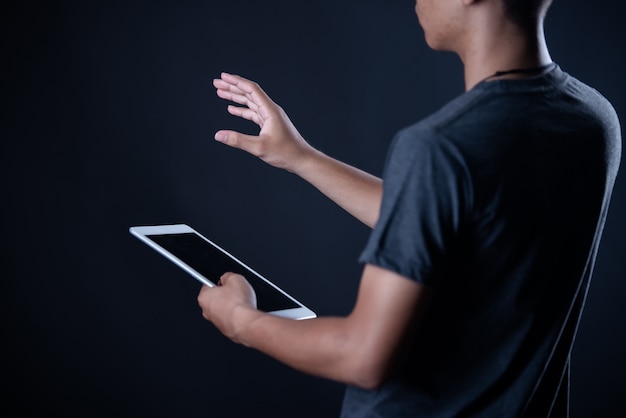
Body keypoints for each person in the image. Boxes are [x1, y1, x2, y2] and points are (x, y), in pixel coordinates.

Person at [197, 0, 621, 416]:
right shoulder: (594, 120)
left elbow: (362, 357)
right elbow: (460, 223)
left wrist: (241, 321)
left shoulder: (441, 146)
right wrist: (301, 157)